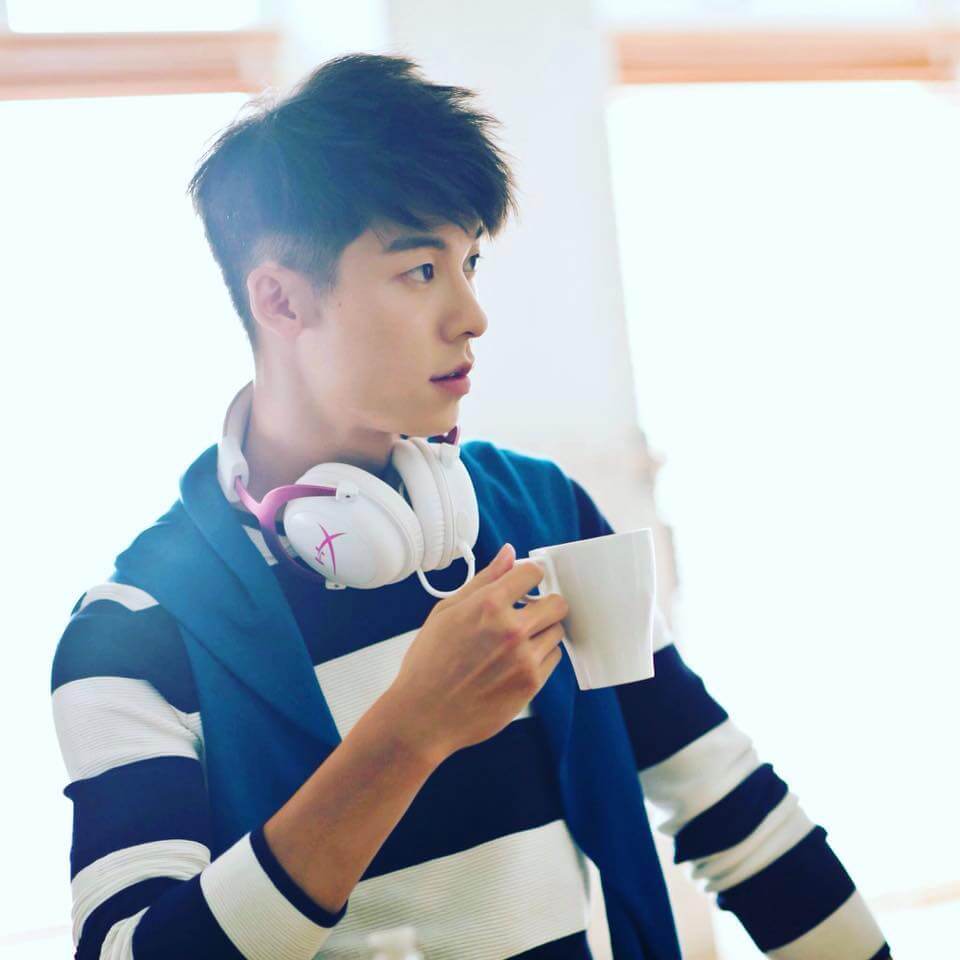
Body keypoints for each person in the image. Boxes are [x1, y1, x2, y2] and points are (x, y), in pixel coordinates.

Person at [50, 53, 892, 960]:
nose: (472, 315)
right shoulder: (131, 632)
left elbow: (731, 809)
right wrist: (408, 733)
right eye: (421, 270)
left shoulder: (543, 513)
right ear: (281, 300)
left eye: (471, 261)